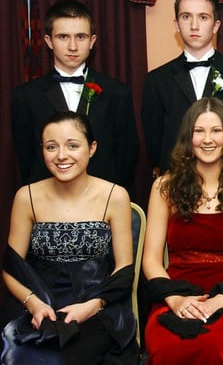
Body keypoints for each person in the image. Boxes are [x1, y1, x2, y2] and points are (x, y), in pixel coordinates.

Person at [2, 111, 138, 364]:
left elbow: (124, 269)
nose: (61, 156)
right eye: (51, 147)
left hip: (98, 307)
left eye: (72, 145)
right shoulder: (26, 196)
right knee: (21, 355)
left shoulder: (115, 196)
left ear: (92, 147)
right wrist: (33, 304)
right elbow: (11, 268)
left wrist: (91, 306)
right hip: (38, 305)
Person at [142, 97, 223, 364]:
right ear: (188, 136)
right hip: (175, 293)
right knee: (167, 350)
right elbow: (151, 259)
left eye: (216, 131)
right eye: (199, 131)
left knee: (214, 347)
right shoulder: (164, 186)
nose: (207, 139)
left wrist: (220, 300)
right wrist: (176, 301)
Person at [11, 0, 139, 187]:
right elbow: (25, 157)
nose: (73, 46)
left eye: (80, 37)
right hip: (47, 200)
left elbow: (127, 155)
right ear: (49, 41)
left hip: (102, 199)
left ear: (92, 41)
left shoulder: (117, 93)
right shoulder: (25, 97)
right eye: (63, 37)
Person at [142, 0, 223, 178]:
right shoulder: (157, 80)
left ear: (216, 25)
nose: (194, 25)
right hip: (176, 180)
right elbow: (154, 141)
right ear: (176, 24)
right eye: (186, 17)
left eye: (203, 17)